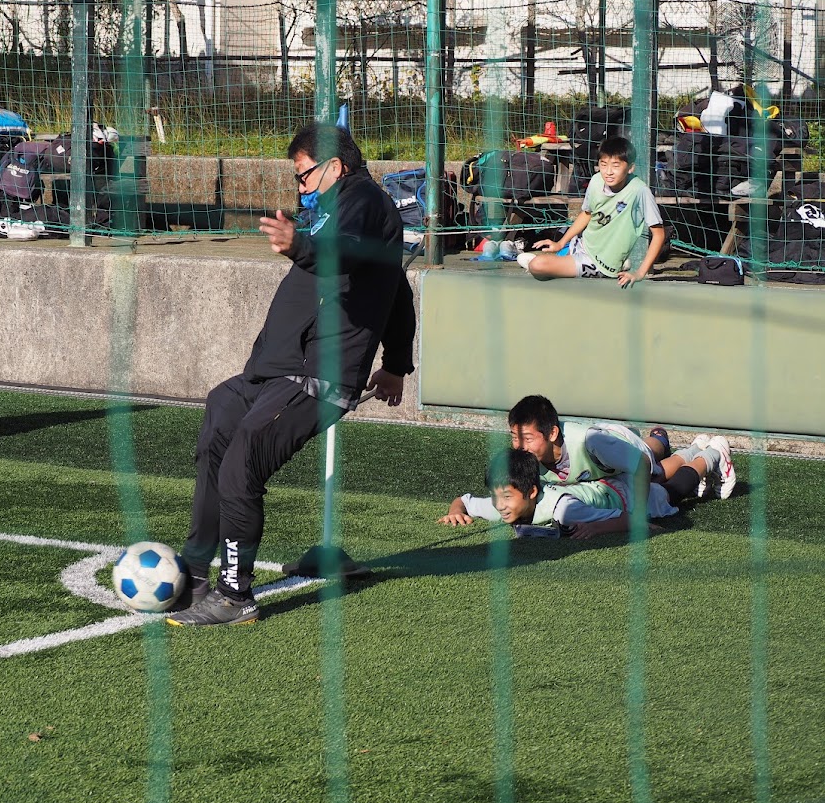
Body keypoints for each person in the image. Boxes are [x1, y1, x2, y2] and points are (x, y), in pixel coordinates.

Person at [167, 122, 416, 627]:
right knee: (220, 415)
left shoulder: (364, 201)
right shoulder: (333, 207)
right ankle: (193, 571)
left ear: (335, 167)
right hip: (274, 370)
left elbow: (347, 255)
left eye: (303, 175)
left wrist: (299, 245)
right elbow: (398, 290)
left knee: (242, 465)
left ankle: (235, 597)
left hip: (316, 376)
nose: (299, 187)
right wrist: (395, 364)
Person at [507, 394, 734, 517]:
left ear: (553, 434)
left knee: (654, 475)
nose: (519, 446)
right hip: (607, 465)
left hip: (622, 447)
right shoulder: (529, 456)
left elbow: (640, 464)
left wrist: (637, 517)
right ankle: (692, 447)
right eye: (514, 437)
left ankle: (711, 453)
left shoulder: (589, 442)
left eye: (527, 438)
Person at [517, 136, 666, 288]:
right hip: (582, 244)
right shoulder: (596, 181)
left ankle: (555, 263)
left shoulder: (640, 191)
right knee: (538, 259)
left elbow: (659, 234)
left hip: (601, 263)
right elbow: (587, 214)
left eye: (616, 165)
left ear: (630, 167)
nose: (608, 172)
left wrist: (640, 273)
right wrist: (560, 243)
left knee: (537, 265)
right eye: (603, 164)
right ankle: (563, 254)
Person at [439, 448, 672, 541]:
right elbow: (463, 501)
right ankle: (661, 439)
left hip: (622, 495)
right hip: (598, 485)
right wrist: (455, 512)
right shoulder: (501, 505)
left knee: (673, 488)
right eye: (495, 496)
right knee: (658, 470)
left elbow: (629, 520)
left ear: (532, 492)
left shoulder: (564, 510)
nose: (499, 505)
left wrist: (596, 528)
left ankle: (696, 454)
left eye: (507, 497)